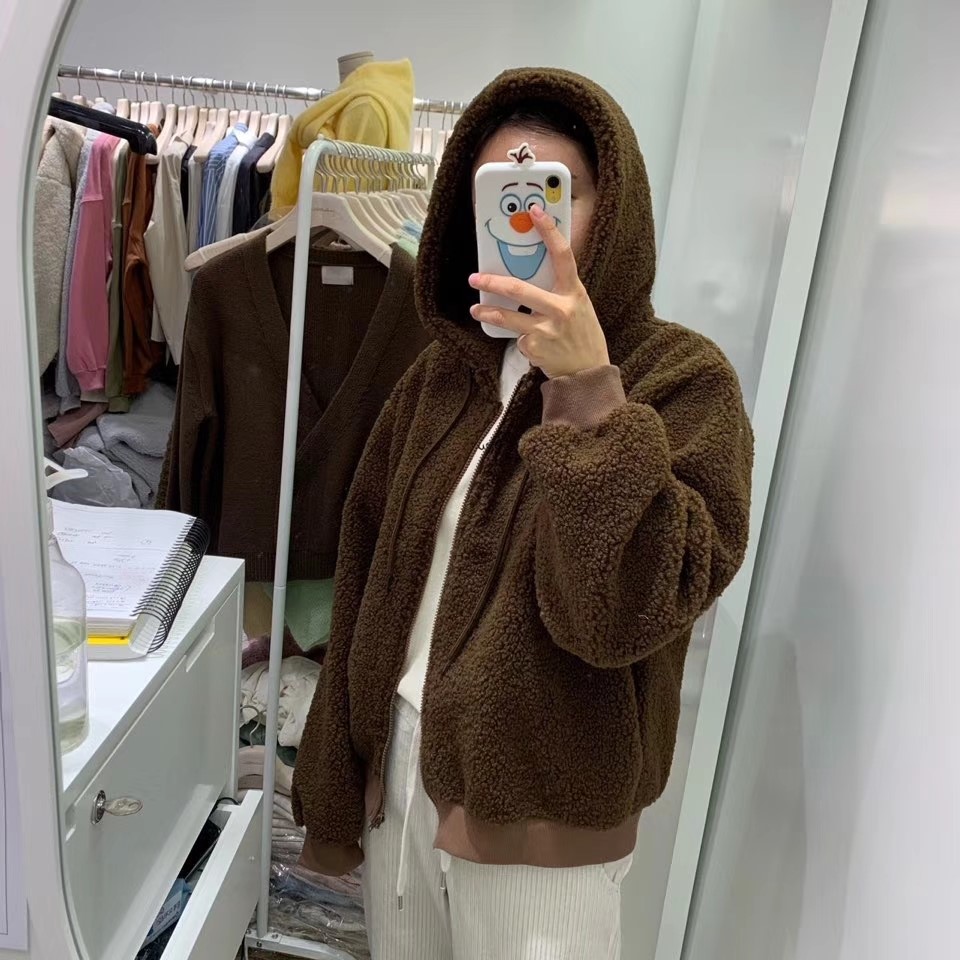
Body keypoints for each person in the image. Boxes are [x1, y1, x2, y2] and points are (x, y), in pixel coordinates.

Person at [292, 67, 754, 960]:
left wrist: (587, 391)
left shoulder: (683, 382)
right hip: (403, 775)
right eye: (499, 197)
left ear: (614, 213)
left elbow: (620, 616)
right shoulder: (442, 374)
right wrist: (340, 774)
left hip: (544, 816)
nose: (526, 223)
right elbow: (369, 579)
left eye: (554, 194)